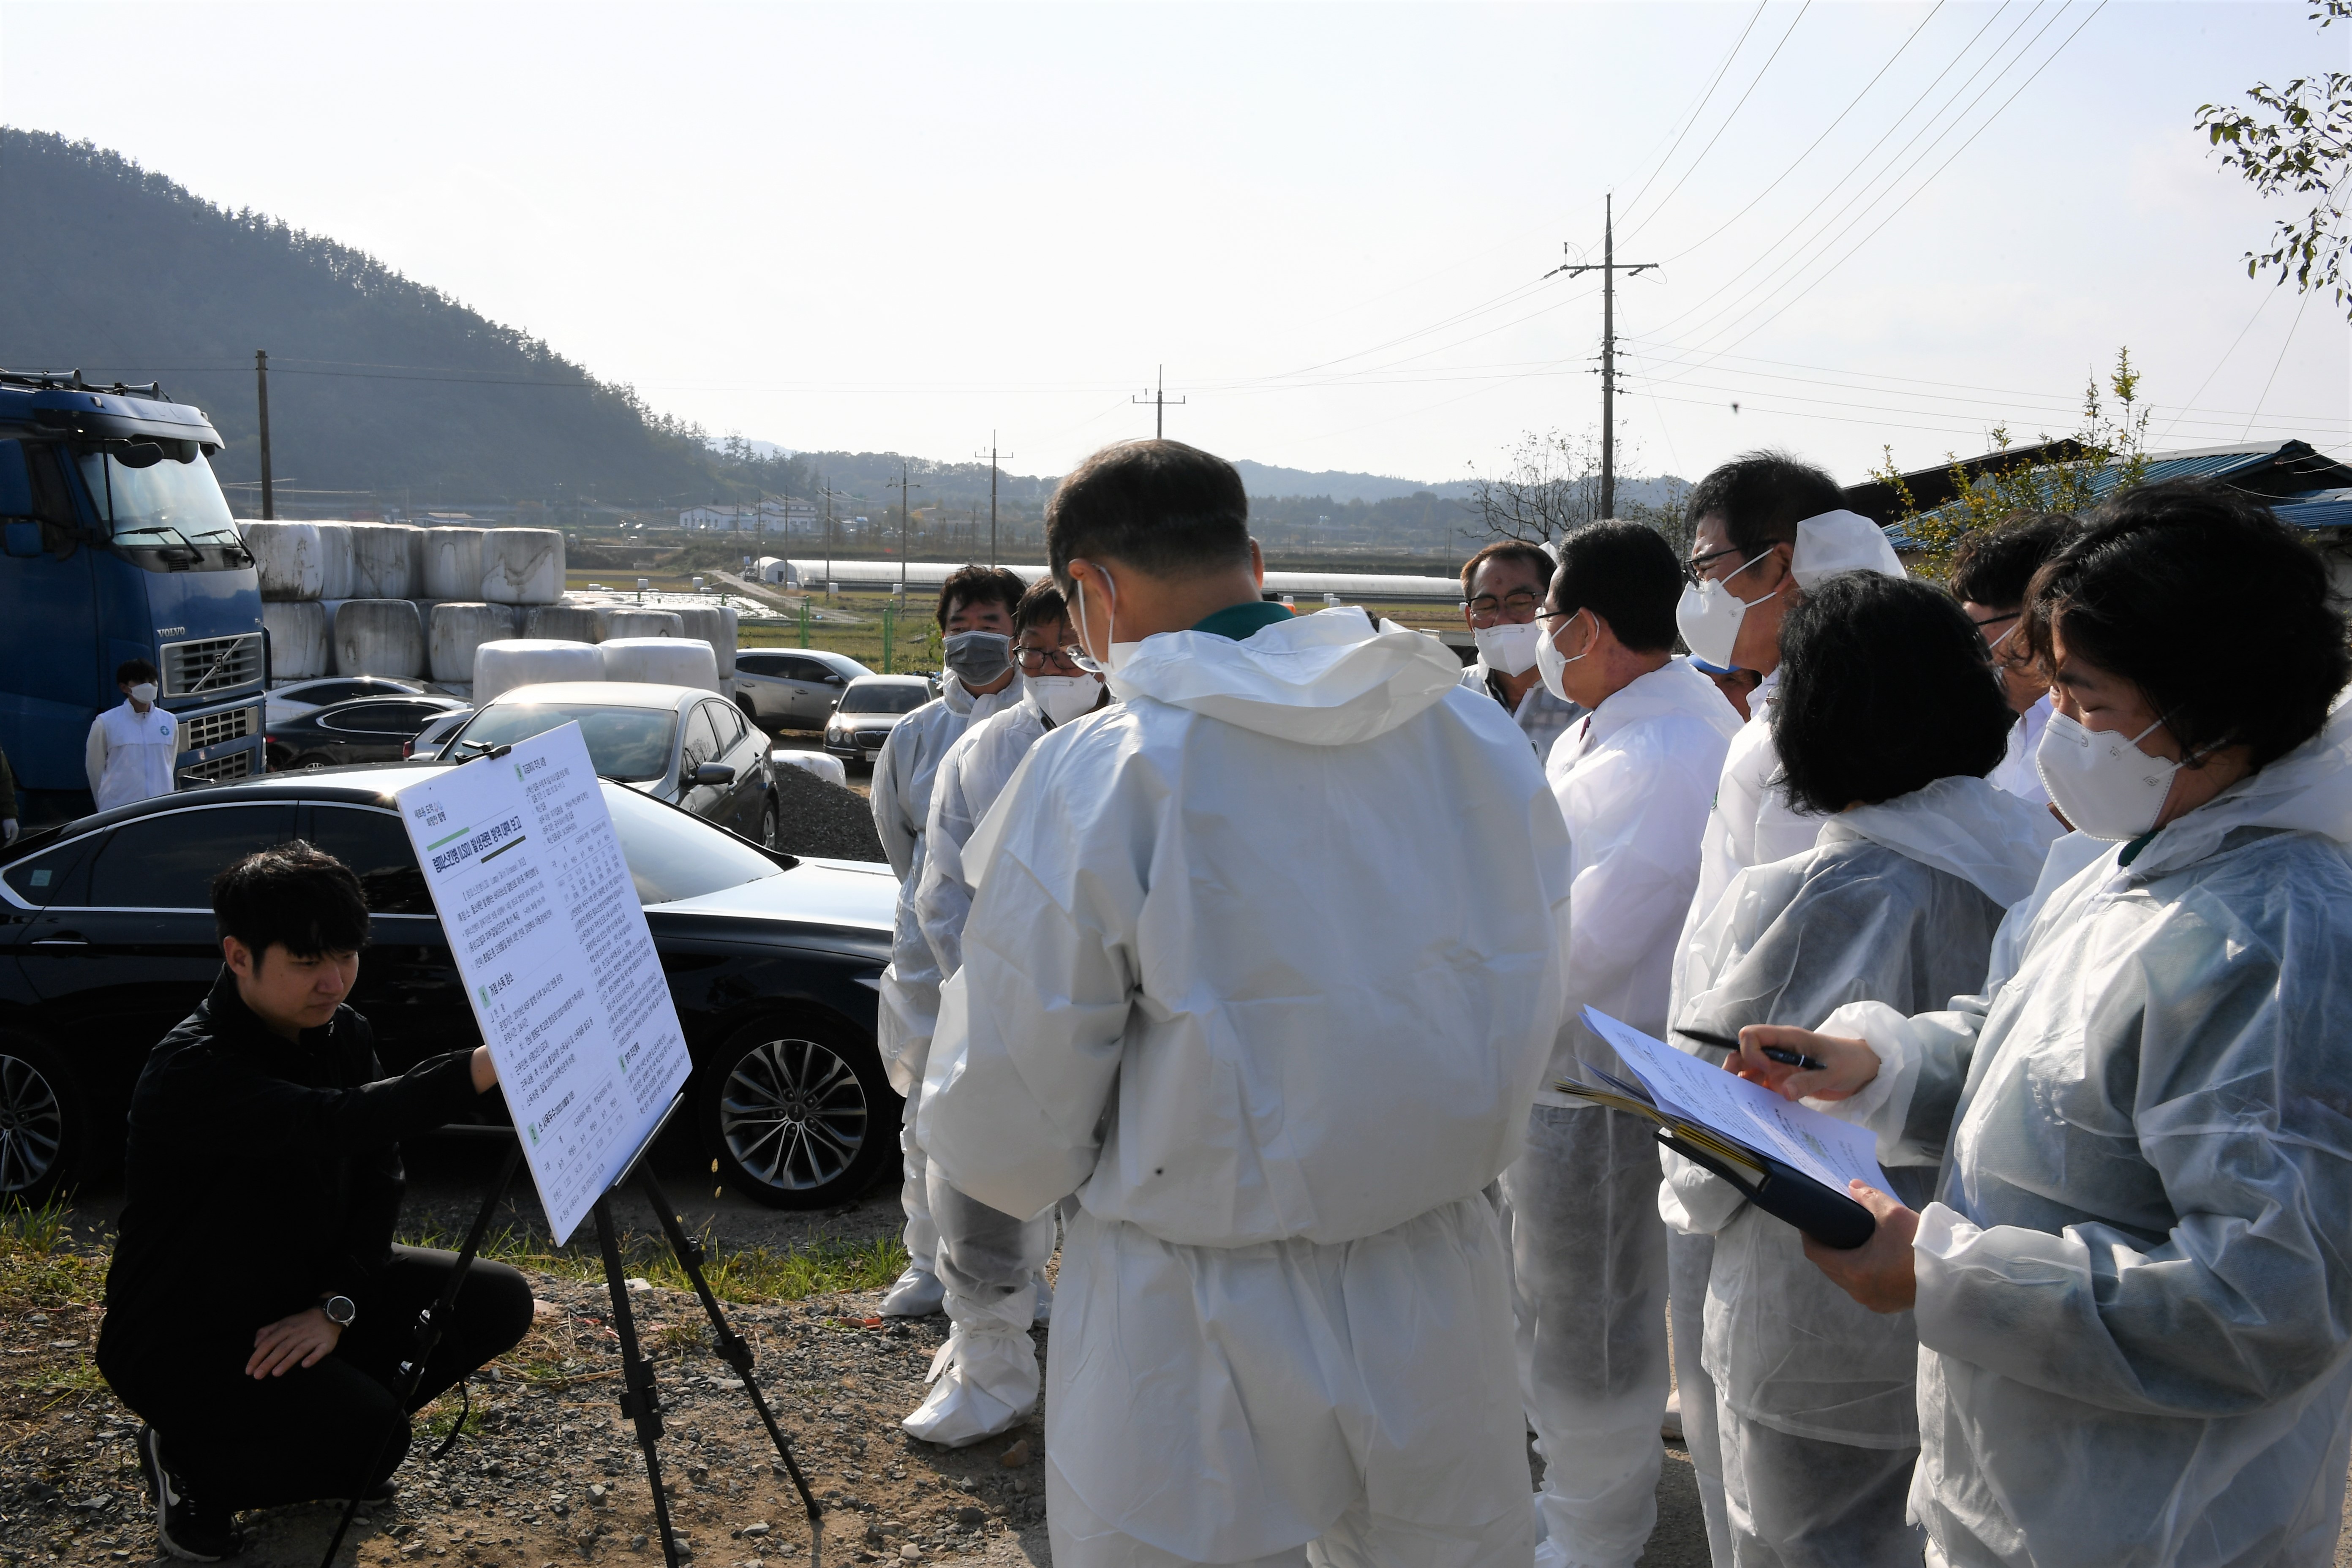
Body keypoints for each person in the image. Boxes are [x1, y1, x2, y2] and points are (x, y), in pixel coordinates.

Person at [920, 439, 1571, 1566]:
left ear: (1093, 594)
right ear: (1255, 561)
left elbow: (1010, 1107)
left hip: (1190, 1299)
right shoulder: (1463, 728)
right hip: (1435, 1273)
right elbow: (1535, 972)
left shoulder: (1108, 773)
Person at [1737, 480, 2352, 1568]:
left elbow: (2261, 1299)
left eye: (2086, 697)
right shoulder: (2127, 859)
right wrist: (1883, 1062)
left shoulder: (2277, 942)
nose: (2050, 726)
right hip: (2027, 1474)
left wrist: (1947, 1276)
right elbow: (2033, 1038)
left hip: (2157, 1517)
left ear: (2216, 709)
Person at [1660, 572, 2060, 1566]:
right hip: (2000, 1300)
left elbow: (1714, 1138)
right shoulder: (2053, 865)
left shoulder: (1808, 895)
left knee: (1807, 1541)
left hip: (1816, 1321)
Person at [96, 843, 530, 1563]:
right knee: (379, 1440)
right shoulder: (192, 1067)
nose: (334, 982)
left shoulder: (344, 1034)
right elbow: (334, 1123)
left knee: (497, 1299)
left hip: (300, 1294)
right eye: (306, 963)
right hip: (192, 1329)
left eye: (346, 956)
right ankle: (192, 1465)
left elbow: (378, 1179)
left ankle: (328, 1432)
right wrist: (485, 1065)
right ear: (238, 956)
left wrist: (338, 1303)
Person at [1663, 451, 1908, 1558]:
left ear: (1779, 564)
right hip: (1821, 1130)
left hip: (1794, 1142)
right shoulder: (1800, 709)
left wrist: (1698, 1150)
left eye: (1709, 562)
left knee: (1792, 1496)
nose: (1700, 590)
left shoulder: (1803, 734)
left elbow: (1791, 966)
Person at [1501, 521, 1742, 1568]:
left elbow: (1594, 946)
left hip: (1607, 1080)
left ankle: (1599, 1524)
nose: (1541, 638)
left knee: (1592, 1316)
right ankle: (1577, 1496)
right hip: (1561, 1071)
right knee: (1563, 1306)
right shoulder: (1606, 728)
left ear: (1589, 625)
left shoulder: (1672, 752)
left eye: (1548, 615)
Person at [900, 577, 1110, 1446]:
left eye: (1070, 653)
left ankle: (1112, 1367)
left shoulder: (1134, 743)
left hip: (1118, 1024)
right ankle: (988, 1365)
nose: (1050, 669)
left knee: (1118, 1203)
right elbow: (941, 891)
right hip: (998, 1014)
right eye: (1036, 654)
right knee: (980, 1187)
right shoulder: (982, 752)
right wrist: (1001, 998)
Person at [870, 563, 1028, 1318]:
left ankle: (1021, 1275)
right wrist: (936, 923)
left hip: (1023, 954)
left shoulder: (1049, 727)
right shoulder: (912, 735)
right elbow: (903, 849)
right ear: (940, 633)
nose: (974, 640)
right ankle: (926, 1266)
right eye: (960, 625)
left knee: (1027, 1111)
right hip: (926, 965)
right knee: (925, 1116)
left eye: (991, 624)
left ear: (1020, 633)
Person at [1947, 512, 2074, 811]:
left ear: (2034, 621)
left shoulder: (2089, 734)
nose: (1967, 650)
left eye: (1974, 631)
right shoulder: (2019, 734)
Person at [1460, 539, 1585, 754]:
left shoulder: (1586, 701)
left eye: (1520, 602)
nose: (1503, 619)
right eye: (1486, 606)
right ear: (1470, 620)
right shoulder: (1452, 697)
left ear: (1553, 608)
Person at [86, 657, 179, 814]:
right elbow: (95, 771)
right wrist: (106, 807)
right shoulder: (106, 723)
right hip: (120, 815)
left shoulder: (169, 721)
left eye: (152, 681)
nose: (149, 686)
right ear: (125, 688)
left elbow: (169, 764)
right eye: (141, 682)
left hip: (161, 811)